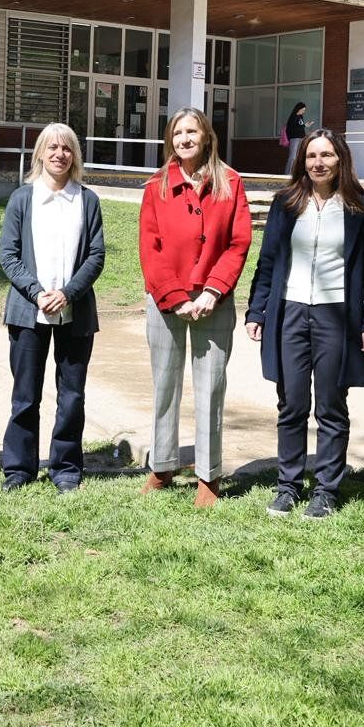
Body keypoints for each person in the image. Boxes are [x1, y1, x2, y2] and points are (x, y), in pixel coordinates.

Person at [245, 128, 364, 520]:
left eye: (326, 156)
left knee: (330, 405)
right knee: (291, 403)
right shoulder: (286, 203)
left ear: (340, 159)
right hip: (290, 312)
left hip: (336, 317)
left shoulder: (361, 207)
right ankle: (287, 486)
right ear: (301, 161)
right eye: (311, 156)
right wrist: (257, 311)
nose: (318, 163)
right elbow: (268, 261)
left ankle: (325, 490)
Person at [138, 107, 252, 504]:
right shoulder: (156, 186)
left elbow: (238, 243)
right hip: (167, 303)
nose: (184, 139)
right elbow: (149, 248)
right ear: (170, 139)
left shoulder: (231, 183)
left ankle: (208, 475)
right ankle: (163, 466)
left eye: (192, 132)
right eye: (178, 133)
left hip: (213, 301)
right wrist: (173, 296)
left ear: (206, 137)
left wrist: (212, 291)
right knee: (165, 387)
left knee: (210, 389)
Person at [0, 122, 106, 494]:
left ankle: (65, 468)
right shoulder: (22, 199)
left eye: (68, 149)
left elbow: (96, 255)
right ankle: (19, 469)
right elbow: (8, 255)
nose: (60, 154)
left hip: (75, 313)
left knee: (72, 396)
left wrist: (68, 293)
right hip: (29, 312)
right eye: (53, 148)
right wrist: (37, 292)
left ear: (74, 156)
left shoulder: (87, 200)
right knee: (25, 395)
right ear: (40, 153)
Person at [283, 102, 312, 172]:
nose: (304, 111)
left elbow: (300, 127)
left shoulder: (300, 117)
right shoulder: (293, 117)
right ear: (299, 109)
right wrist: (303, 125)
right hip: (295, 138)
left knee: (300, 156)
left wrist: (305, 125)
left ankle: (296, 173)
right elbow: (291, 128)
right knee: (293, 156)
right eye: (303, 110)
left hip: (301, 138)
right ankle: (288, 173)